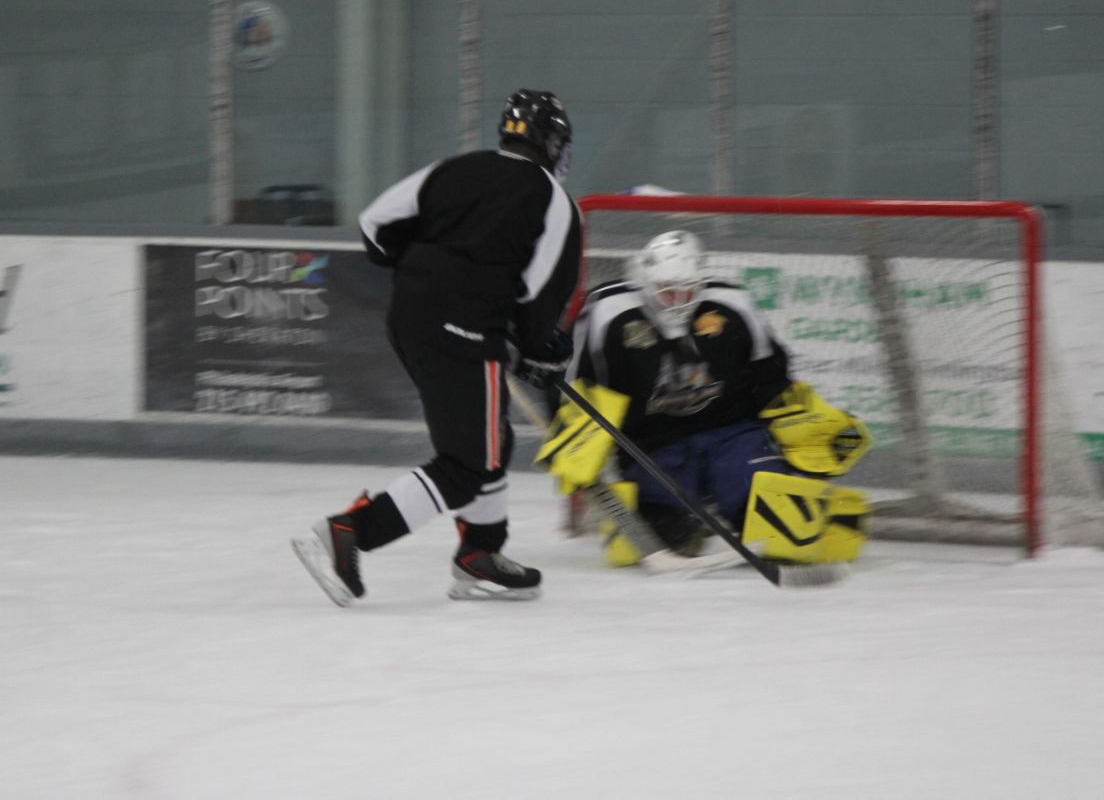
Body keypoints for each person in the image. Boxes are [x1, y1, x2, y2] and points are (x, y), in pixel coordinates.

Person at [292, 90, 583, 606]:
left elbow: (375, 225)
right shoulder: (554, 201)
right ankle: (349, 533)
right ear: (553, 142)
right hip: (465, 329)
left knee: (489, 440)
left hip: (409, 317)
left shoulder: (454, 168)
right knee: (467, 465)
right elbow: (538, 295)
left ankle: (480, 557)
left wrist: (432, 271)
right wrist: (542, 347)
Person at [535, 229, 873, 570]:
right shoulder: (606, 311)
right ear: (645, 281)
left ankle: (821, 510)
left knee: (787, 529)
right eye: (666, 289)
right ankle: (686, 524)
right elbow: (570, 383)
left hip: (731, 434)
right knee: (647, 541)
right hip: (652, 445)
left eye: (687, 289)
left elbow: (769, 374)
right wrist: (569, 433)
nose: (677, 299)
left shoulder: (732, 303)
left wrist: (797, 416)